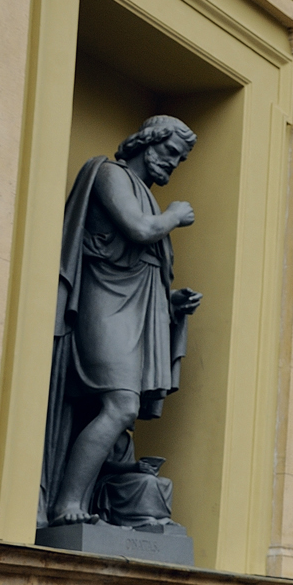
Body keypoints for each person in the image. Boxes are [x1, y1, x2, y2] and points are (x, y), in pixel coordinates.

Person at [40, 115, 201, 528]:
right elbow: (138, 229)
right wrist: (173, 216)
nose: (171, 164)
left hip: (134, 308)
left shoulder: (144, 193)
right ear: (145, 143)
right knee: (121, 405)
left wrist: (170, 303)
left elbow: (134, 261)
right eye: (168, 153)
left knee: (112, 407)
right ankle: (65, 505)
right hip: (102, 306)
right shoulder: (108, 173)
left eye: (179, 160)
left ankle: (91, 500)